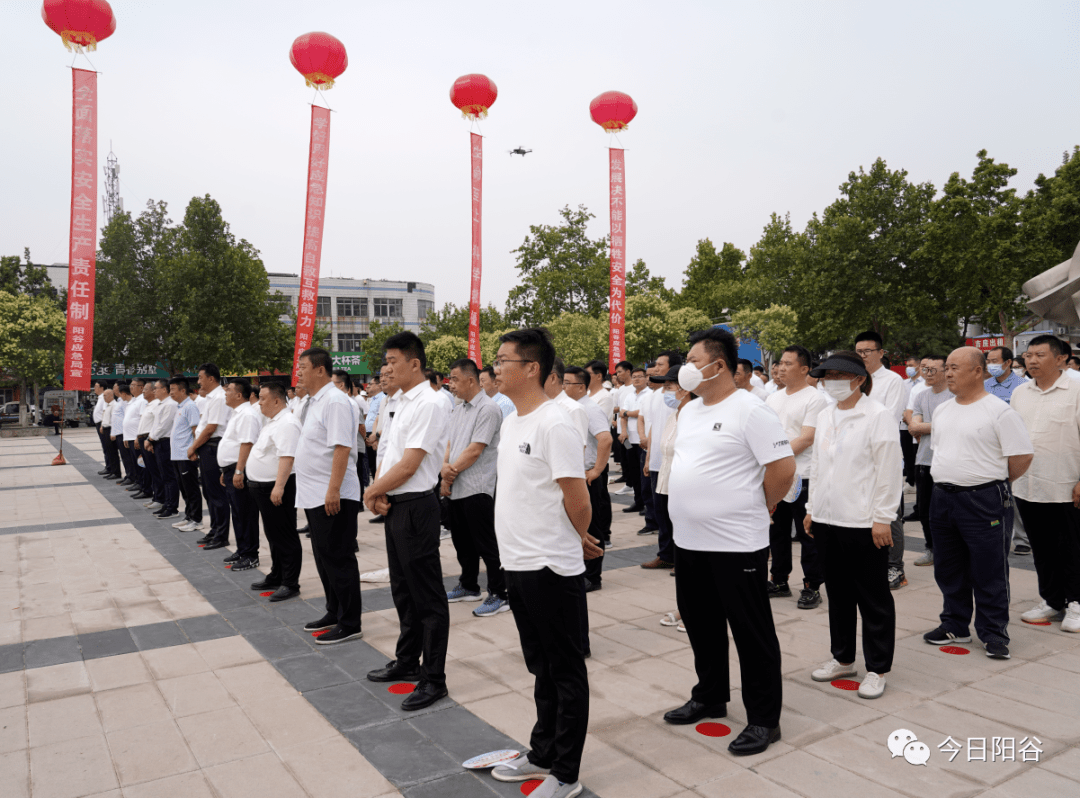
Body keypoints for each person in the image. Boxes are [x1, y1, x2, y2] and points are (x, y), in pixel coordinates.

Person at [664, 327, 795, 756]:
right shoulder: (691, 409)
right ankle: (710, 695)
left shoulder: (750, 410)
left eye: (692, 359)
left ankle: (763, 718)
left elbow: (782, 468)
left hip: (736, 543)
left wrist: (760, 506)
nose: (685, 368)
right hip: (689, 540)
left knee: (751, 630)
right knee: (700, 622)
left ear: (718, 365)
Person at [488, 329, 599, 798]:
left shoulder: (554, 423)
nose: (495, 367)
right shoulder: (513, 421)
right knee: (541, 667)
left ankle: (567, 774)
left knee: (565, 670)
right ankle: (542, 753)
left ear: (531, 368)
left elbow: (577, 495)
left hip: (550, 566)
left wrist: (581, 536)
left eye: (502, 360)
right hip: (517, 562)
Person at [925, 347, 1034, 659]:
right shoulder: (944, 410)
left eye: (955, 367)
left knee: (989, 570)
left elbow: (1022, 456)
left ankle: (993, 631)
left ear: (978, 371)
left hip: (983, 500)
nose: (947, 373)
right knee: (948, 567)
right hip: (943, 498)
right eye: (946, 367)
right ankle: (955, 623)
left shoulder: (999, 411)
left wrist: (994, 483)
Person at [804, 352, 902, 699]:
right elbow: (817, 465)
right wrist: (812, 508)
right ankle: (843, 657)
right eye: (826, 375)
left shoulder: (877, 416)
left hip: (863, 523)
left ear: (859, 379)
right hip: (828, 520)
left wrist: (882, 518)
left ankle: (877, 668)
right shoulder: (826, 413)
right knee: (839, 594)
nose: (831, 381)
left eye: (838, 375)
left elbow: (889, 470)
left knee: (873, 597)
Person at [363, 332, 452, 711]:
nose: (387, 368)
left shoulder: (429, 404)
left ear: (415, 364)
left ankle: (434, 678)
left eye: (394, 361)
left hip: (417, 505)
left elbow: (411, 464)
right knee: (403, 589)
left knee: (427, 596)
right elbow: (388, 452)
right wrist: (381, 490)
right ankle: (407, 661)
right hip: (397, 504)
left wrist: (371, 492)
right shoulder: (397, 402)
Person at [1009, 335, 1080, 632]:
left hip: (1067, 485)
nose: (1032, 360)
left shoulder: (1076, 389)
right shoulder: (1021, 393)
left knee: (1073, 546)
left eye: (1040, 355)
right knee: (1042, 547)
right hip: (1028, 486)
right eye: (1028, 355)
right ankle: (1052, 600)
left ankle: (1076, 602)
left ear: (1061, 358)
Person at [295, 347, 364, 642]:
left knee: (338, 557)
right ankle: (333, 610)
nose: (298, 372)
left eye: (303, 367)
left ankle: (350, 623)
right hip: (314, 493)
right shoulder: (314, 402)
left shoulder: (335, 401)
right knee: (325, 558)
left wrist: (333, 489)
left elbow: (341, 447)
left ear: (320, 370)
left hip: (332, 494)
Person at [765, 345, 829, 608]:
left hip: (804, 475)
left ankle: (812, 586)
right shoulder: (773, 398)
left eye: (788, 363)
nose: (781, 367)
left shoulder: (815, 398)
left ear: (805, 369)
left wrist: (773, 454)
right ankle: (779, 580)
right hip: (776, 475)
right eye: (780, 363)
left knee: (807, 533)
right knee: (777, 531)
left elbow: (807, 437)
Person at [442, 358, 507, 616]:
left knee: (486, 544)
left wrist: (448, 474)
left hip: (478, 487)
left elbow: (475, 449)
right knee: (462, 542)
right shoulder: (458, 409)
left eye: (455, 379)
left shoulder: (488, 409)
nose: (451, 384)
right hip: (457, 485)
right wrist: (444, 468)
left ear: (471, 380)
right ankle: (469, 585)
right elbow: (448, 444)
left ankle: (500, 593)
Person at [854, 331, 909, 590]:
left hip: (884, 456)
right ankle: (873, 562)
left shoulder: (892, 381)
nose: (862, 356)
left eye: (867, 351)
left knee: (890, 513)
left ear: (880, 353)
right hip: (857, 458)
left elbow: (890, 417)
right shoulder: (854, 379)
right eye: (858, 352)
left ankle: (895, 567)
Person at [249, 383, 305, 597]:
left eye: (262, 398)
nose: (259, 402)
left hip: (277, 486)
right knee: (273, 534)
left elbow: (287, 456)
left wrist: (279, 487)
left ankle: (290, 583)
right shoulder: (272, 422)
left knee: (285, 534)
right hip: (263, 487)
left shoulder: (288, 423)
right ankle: (277, 574)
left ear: (276, 400)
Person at [565, 365, 613, 592]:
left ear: (581, 387)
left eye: (567, 383)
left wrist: (596, 470)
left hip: (588, 475)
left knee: (592, 527)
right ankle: (582, 572)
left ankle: (593, 577)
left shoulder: (589, 409)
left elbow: (605, 439)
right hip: (578, 474)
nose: (563, 387)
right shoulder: (573, 407)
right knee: (579, 526)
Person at [907, 356, 952, 566]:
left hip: (949, 461)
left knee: (948, 510)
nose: (927, 373)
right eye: (924, 369)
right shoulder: (921, 395)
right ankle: (931, 549)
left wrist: (923, 426)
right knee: (925, 510)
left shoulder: (954, 396)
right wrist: (929, 426)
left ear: (945, 370)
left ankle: (949, 551)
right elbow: (913, 424)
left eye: (933, 369)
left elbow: (950, 424)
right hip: (924, 459)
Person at [217, 379, 263, 568]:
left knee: (246, 513)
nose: (225, 393)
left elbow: (247, 443)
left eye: (228, 390)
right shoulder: (237, 413)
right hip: (231, 469)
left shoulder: (247, 414)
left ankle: (251, 554)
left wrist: (238, 470)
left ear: (238, 395)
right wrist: (225, 469)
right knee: (237, 512)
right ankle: (242, 549)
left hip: (239, 469)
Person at [641, 365, 683, 570]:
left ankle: (682, 558)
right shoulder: (667, 409)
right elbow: (653, 431)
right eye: (664, 386)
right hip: (662, 466)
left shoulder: (693, 413)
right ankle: (666, 554)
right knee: (662, 512)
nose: (666, 391)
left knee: (679, 516)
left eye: (670, 385)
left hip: (680, 472)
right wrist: (649, 458)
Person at [189, 364, 232, 548]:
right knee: (208, 492)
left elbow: (211, 428)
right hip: (206, 447)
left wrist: (193, 447)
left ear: (211, 378)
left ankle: (221, 535)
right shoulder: (210, 398)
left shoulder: (219, 398)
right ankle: (214, 530)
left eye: (200, 377)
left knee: (217, 494)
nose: (198, 382)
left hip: (213, 447)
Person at [168, 378, 204, 533]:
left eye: (173, 389)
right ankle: (189, 516)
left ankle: (197, 520)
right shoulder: (180, 407)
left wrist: (194, 451)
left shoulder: (190, 406)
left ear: (183, 390)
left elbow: (195, 430)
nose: (171, 393)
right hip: (177, 455)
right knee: (184, 488)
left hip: (186, 455)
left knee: (191, 489)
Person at [147, 379, 180, 519]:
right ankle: (167, 504)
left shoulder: (171, 405)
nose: (154, 390)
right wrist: (151, 438)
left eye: (157, 388)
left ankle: (172, 508)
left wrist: (150, 439)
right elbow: (156, 425)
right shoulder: (161, 404)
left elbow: (164, 426)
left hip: (165, 442)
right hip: (158, 442)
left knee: (169, 476)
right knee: (164, 476)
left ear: (165, 390)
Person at [618, 367, 649, 512]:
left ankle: (648, 505)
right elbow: (621, 415)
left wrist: (628, 412)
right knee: (634, 472)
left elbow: (639, 413)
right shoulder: (630, 396)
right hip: (630, 440)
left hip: (643, 440)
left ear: (646, 378)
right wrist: (623, 431)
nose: (636, 379)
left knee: (645, 474)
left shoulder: (649, 395)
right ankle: (638, 502)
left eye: (640, 376)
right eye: (634, 376)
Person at [136, 381, 164, 511]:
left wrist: (150, 440)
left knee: (155, 470)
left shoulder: (156, 405)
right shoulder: (148, 405)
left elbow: (156, 425)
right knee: (151, 470)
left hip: (149, 439)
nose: (143, 392)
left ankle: (160, 498)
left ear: (153, 391)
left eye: (145, 389)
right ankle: (156, 497)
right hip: (143, 438)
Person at [123, 379, 150, 499]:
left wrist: (136, 437)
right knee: (136, 464)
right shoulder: (134, 400)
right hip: (130, 436)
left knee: (141, 465)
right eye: (131, 385)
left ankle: (145, 487)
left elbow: (142, 420)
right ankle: (139, 484)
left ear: (141, 387)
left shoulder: (142, 401)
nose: (131, 387)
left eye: (134, 385)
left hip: (136, 437)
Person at [99, 389, 122, 480]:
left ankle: (116, 472)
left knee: (113, 452)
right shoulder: (107, 405)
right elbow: (105, 416)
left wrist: (113, 432)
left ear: (110, 395)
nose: (104, 397)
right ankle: (112, 470)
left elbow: (114, 420)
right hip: (105, 429)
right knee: (108, 451)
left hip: (110, 430)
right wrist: (102, 426)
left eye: (105, 395)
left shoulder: (114, 405)